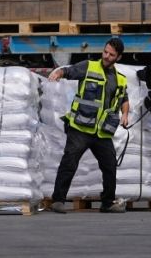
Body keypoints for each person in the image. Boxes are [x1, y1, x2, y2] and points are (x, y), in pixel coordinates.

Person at [46, 37, 130, 214]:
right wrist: (57, 74)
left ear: (118, 57)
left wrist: (125, 114)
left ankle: (107, 203)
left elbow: (124, 99)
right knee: (69, 161)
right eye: (105, 52)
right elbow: (69, 71)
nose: (106, 56)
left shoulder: (120, 79)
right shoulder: (89, 66)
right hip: (81, 128)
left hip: (102, 133)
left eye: (111, 54)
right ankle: (58, 200)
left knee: (109, 166)